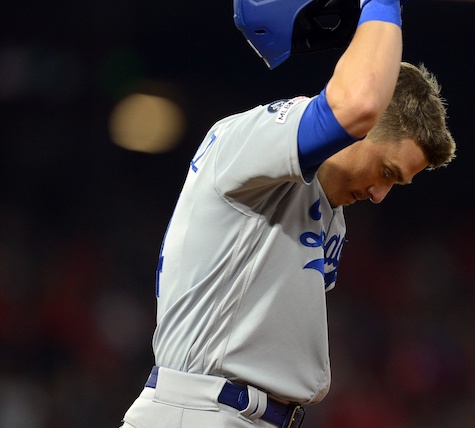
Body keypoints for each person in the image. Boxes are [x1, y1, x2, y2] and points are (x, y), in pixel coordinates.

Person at [120, 0, 455, 427]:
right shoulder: (253, 140)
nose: (379, 194)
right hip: (204, 409)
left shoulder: (329, 209)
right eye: (386, 171)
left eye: (396, 183)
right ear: (363, 131)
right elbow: (356, 106)